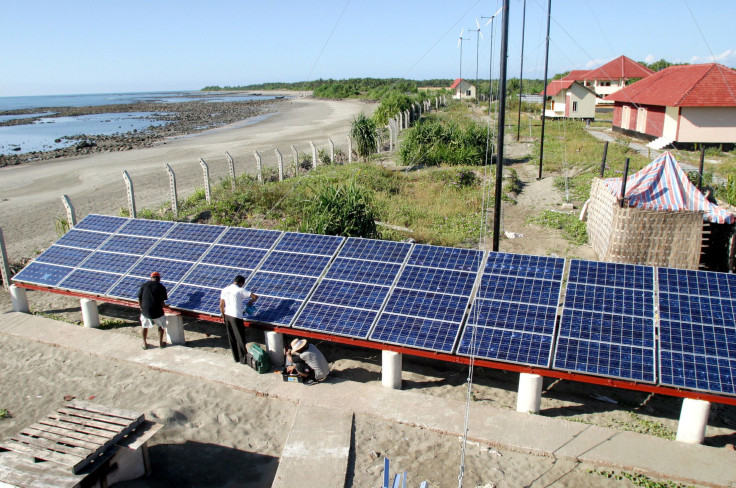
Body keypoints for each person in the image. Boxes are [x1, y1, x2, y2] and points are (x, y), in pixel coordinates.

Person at [219, 275, 258, 364]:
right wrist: (249, 303)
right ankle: (243, 359)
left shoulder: (225, 290)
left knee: (231, 337)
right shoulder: (240, 290)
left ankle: (236, 357)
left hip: (227, 315)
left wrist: (224, 316)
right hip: (236, 316)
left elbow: (221, 305)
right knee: (240, 338)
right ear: (241, 283)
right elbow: (255, 297)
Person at [137, 271, 168, 350]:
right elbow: (162, 302)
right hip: (157, 310)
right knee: (160, 326)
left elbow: (139, 298)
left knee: (144, 326)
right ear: (159, 279)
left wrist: (141, 307)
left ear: (151, 278)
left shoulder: (144, 285)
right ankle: (161, 343)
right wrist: (165, 306)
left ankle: (144, 343)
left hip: (145, 310)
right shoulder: (161, 287)